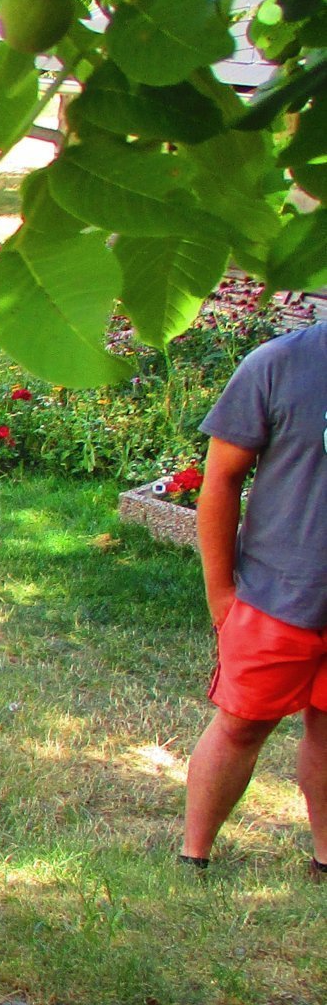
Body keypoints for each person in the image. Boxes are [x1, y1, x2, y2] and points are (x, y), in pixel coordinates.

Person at [181, 322, 327, 872]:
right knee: (241, 725)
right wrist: (221, 593)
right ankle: (194, 854)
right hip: (278, 594)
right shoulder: (279, 363)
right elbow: (220, 480)